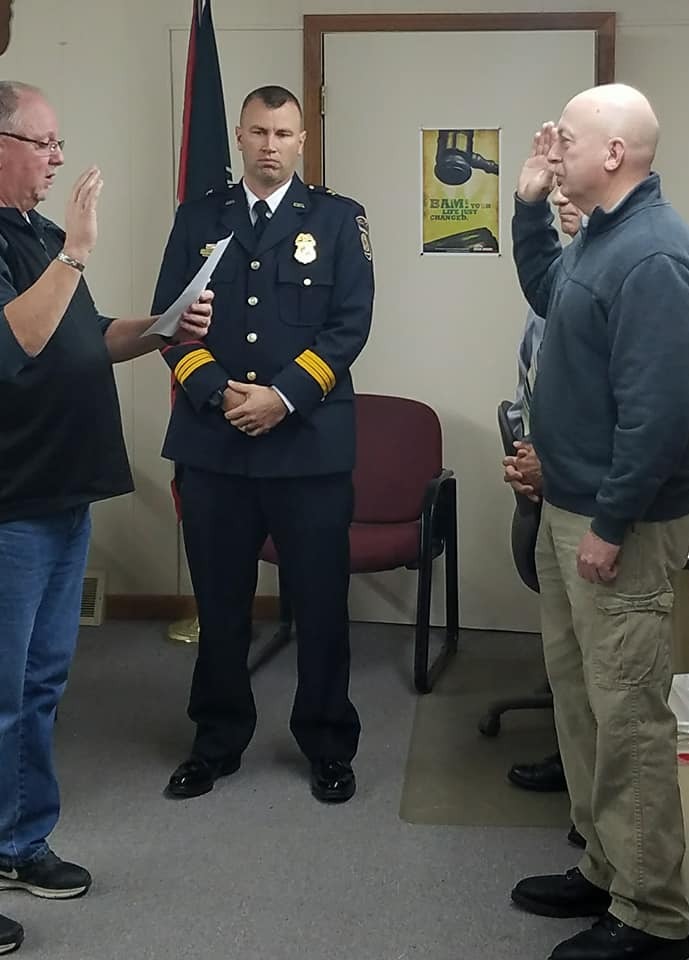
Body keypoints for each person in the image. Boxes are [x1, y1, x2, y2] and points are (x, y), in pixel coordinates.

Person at [0, 80, 212, 930]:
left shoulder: (42, 237)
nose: (59, 159)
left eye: (58, 143)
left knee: (42, 684)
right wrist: (76, 256)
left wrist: (160, 327)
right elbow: (19, 338)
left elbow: (85, 336)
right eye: (44, 143)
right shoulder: (49, 250)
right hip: (10, 507)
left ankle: (20, 842)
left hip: (63, 497)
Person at [153, 84, 374, 804]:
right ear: (240, 138)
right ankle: (215, 740)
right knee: (220, 604)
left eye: (283, 133)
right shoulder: (199, 218)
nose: (270, 145)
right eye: (257, 132)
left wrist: (280, 398)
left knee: (318, 604)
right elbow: (169, 322)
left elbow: (348, 327)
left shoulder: (339, 221)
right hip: (215, 445)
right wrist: (219, 392)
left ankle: (327, 742)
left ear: (302, 139)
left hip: (306, 447)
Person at [509, 83, 689, 960]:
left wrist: (610, 526)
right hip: (568, 506)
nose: (553, 144)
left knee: (629, 718)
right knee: (579, 697)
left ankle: (652, 916)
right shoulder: (600, 239)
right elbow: (547, 293)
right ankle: (602, 863)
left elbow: (657, 415)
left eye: (566, 137)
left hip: (619, 523)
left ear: (613, 153)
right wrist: (527, 204)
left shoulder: (653, 255)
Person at [504, 189, 581, 800]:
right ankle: (575, 766)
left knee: (602, 668)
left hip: (591, 501)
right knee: (572, 655)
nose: (565, 204)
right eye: (558, 197)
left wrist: (549, 465)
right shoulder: (561, 281)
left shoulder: (639, 271)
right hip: (547, 489)